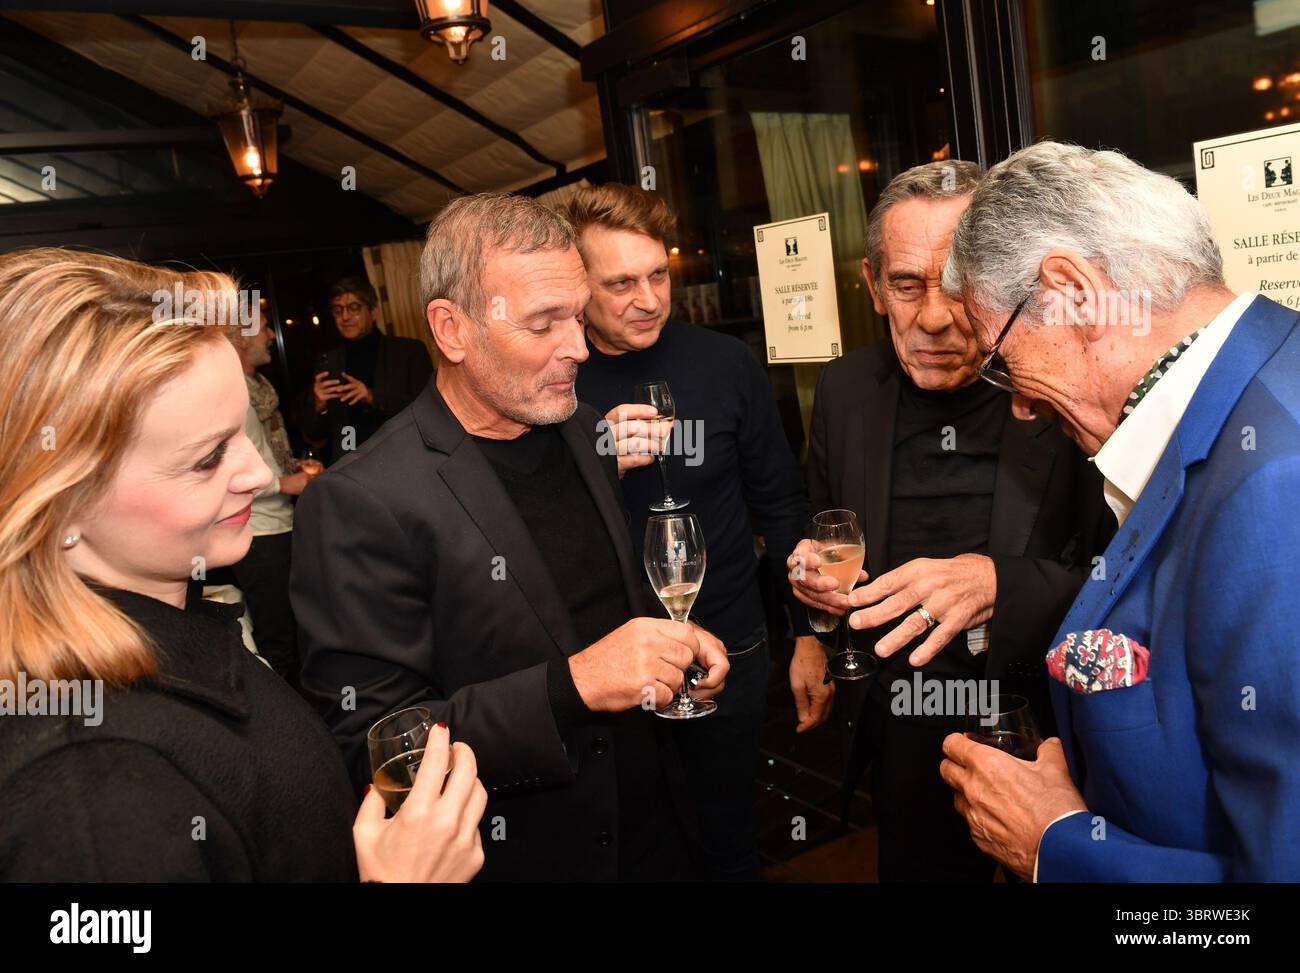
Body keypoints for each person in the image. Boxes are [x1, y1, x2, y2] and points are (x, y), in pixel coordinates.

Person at [0, 248, 485, 882]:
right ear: (61, 503)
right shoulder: (85, 788)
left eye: (241, 436)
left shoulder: (179, 628)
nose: (257, 476)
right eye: (207, 459)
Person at [291, 193, 730, 883]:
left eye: (578, 316)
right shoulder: (360, 499)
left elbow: (586, 605)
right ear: (452, 328)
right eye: (543, 324)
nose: (578, 348)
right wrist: (574, 685)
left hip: (660, 833)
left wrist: (665, 647)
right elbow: (379, 749)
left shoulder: (585, 430)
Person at [938, 141, 1300, 881]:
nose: (1019, 402)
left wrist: (1056, 846)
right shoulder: (1239, 402)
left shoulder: (1275, 482)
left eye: (1000, 357)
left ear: (1073, 291)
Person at [785, 160, 1112, 882]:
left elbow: (1131, 576)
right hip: (902, 716)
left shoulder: (1065, 385)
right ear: (872, 284)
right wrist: (811, 595)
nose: (934, 315)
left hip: (1047, 718)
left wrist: (1001, 583)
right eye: (906, 284)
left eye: (959, 283)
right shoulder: (843, 390)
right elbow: (825, 529)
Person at [566, 183, 808, 882]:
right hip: (609, 659)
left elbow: (779, 501)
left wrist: (809, 637)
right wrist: (595, 459)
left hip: (729, 646)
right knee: (634, 844)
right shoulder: (557, 381)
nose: (647, 298)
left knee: (728, 833)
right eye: (620, 283)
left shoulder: (725, 362)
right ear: (577, 285)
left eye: (658, 275)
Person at [225, 324, 319, 686]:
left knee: (299, 628)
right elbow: (229, 471)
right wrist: (283, 483)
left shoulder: (261, 390)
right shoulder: (232, 397)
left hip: (283, 522)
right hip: (258, 532)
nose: (269, 335)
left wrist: (289, 467)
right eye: (262, 327)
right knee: (277, 639)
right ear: (239, 337)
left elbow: (262, 452)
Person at [299, 276, 433, 466]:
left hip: (405, 463)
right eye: (338, 310)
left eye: (353, 308)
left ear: (373, 311)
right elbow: (313, 434)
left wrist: (372, 396)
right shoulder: (328, 363)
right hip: (351, 469)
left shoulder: (409, 351)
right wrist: (319, 407)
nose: (345, 317)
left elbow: (428, 410)